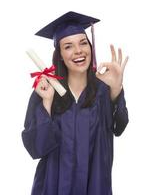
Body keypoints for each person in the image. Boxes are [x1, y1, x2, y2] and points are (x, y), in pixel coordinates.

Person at [22, 11, 129, 195]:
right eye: (68, 46)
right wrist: (46, 103)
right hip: (52, 187)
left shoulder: (103, 90)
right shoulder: (46, 90)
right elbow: (36, 148)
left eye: (83, 43)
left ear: (90, 47)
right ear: (60, 55)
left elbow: (119, 127)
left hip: (95, 186)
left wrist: (116, 90)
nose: (78, 51)